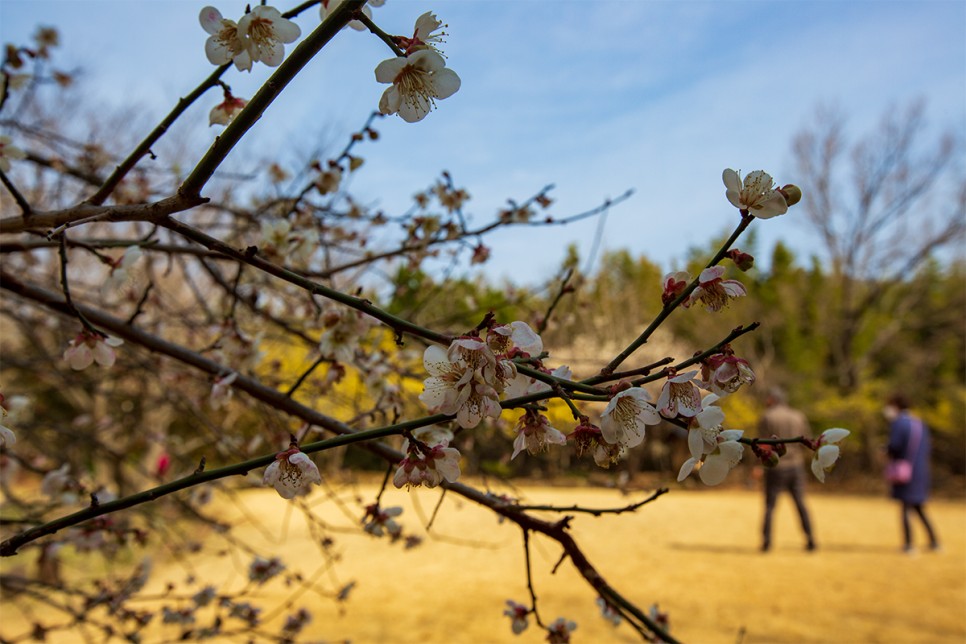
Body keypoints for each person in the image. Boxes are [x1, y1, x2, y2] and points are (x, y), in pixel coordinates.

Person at [757, 387, 815, 552]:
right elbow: (806, 440)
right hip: (796, 465)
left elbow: (762, 444)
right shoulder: (798, 416)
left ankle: (767, 542)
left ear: (772, 399)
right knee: (800, 503)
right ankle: (810, 539)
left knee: (770, 506)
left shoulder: (767, 416)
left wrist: (757, 465)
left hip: (776, 466)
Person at [884, 393, 940, 553]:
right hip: (920, 470)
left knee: (906, 507)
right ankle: (934, 542)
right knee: (918, 506)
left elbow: (894, 446)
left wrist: (885, 450)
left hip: (905, 472)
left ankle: (909, 545)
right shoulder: (919, 423)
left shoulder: (899, 423)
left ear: (896, 406)